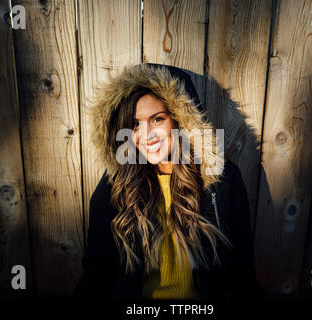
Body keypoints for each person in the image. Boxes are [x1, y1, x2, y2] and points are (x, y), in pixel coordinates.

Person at [74, 63, 261, 301]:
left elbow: (242, 272)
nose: (146, 134)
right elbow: (96, 277)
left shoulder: (222, 181)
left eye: (157, 119)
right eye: (135, 124)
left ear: (181, 121)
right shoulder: (114, 187)